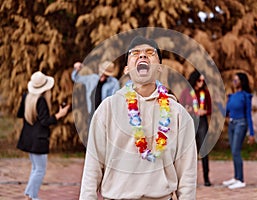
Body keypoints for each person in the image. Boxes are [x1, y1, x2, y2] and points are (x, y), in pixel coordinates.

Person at [80, 36, 197, 200]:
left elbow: (187, 173)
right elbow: (92, 166)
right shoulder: (107, 108)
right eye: (135, 53)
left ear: (159, 68)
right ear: (126, 69)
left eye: (150, 53)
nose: (142, 56)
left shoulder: (178, 114)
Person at [16, 71, 70, 200]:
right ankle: (33, 196)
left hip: (28, 138)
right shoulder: (41, 100)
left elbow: (19, 114)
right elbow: (45, 121)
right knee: (40, 170)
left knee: (36, 168)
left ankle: (29, 195)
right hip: (38, 140)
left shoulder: (26, 96)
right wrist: (60, 115)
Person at [222, 72, 255, 189]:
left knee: (236, 151)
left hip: (241, 124)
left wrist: (251, 133)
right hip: (231, 124)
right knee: (233, 150)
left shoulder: (246, 96)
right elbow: (226, 112)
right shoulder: (231, 96)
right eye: (233, 80)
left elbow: (248, 115)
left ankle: (241, 180)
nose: (234, 82)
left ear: (242, 82)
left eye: (236, 80)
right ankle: (236, 177)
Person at [179, 70, 212, 187]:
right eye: (199, 80)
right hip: (190, 121)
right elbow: (180, 107)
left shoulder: (205, 93)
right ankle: (190, 179)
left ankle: (206, 177)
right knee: (189, 152)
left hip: (202, 122)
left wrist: (205, 111)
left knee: (204, 151)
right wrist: (187, 109)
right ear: (194, 80)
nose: (201, 83)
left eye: (203, 81)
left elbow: (210, 109)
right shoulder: (186, 92)